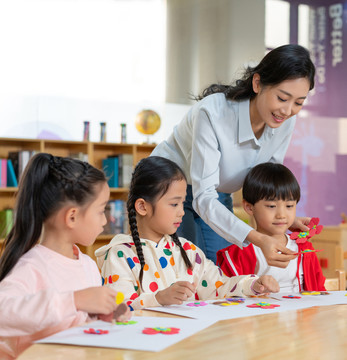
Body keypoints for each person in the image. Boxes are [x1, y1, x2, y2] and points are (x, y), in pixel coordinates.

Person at [151, 44, 316, 265]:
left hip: (215, 194)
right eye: (282, 98)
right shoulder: (212, 113)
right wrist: (258, 238)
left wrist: (283, 217)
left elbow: (266, 181)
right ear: (257, 83)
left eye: (298, 102)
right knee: (187, 268)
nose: (287, 111)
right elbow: (203, 197)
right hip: (167, 191)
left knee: (222, 269)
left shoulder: (286, 121)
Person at [95, 156, 279, 310]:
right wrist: (158, 298)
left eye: (183, 203)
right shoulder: (119, 254)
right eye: (174, 204)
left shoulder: (188, 251)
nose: (182, 212)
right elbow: (118, 308)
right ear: (143, 206)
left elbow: (220, 287)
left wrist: (253, 285)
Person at [0, 153, 130, 360]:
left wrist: (103, 315)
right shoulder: (31, 267)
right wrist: (75, 300)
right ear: (72, 217)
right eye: (100, 210)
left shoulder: (88, 265)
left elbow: (77, 323)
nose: (107, 219)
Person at [216, 163, 326, 292]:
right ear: (249, 207)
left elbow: (319, 290)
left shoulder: (303, 248)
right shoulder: (238, 254)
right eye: (272, 206)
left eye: (289, 206)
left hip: (302, 312)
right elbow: (227, 293)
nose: (281, 215)